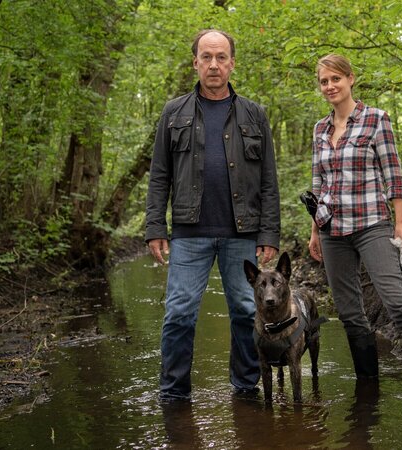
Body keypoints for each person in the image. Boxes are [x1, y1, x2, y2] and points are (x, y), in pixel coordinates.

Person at [307, 54, 402, 405]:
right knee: (349, 314)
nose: (330, 86)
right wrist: (314, 231)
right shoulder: (319, 129)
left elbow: (393, 174)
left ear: (350, 79)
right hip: (331, 230)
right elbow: (318, 184)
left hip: (372, 223)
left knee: (398, 303)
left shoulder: (376, 119)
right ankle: (368, 393)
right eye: (324, 81)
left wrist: (401, 223)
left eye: (335, 79)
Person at [145, 29, 280, 400]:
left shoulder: (255, 114)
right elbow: (159, 174)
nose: (214, 64)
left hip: (242, 231)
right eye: (206, 57)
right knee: (179, 313)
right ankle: (174, 395)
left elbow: (268, 179)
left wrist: (269, 233)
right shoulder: (173, 112)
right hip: (189, 233)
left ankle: (246, 390)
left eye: (221, 57)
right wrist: (155, 226)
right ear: (196, 63)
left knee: (245, 311)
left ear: (232, 63)